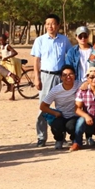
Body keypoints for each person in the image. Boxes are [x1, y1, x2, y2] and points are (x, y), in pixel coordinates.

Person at [32, 14, 72, 147]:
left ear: (58, 25)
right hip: (46, 76)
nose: (50, 26)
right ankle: (41, 137)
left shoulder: (64, 40)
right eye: (48, 24)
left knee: (62, 107)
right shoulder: (40, 40)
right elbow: (36, 60)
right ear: (45, 25)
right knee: (43, 107)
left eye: (53, 23)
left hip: (61, 76)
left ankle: (61, 136)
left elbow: (70, 56)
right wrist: (37, 77)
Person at [39, 65, 81, 150]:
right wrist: (55, 113)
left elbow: (89, 83)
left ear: (75, 75)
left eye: (71, 74)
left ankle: (74, 139)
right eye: (65, 75)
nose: (68, 77)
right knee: (56, 126)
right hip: (61, 115)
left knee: (71, 126)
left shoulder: (79, 84)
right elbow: (43, 106)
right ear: (61, 77)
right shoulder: (56, 90)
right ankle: (59, 139)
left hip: (74, 115)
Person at [0, 33, 20, 100]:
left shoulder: (8, 46)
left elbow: (15, 53)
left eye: (2, 40)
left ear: (5, 40)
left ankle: (13, 96)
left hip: (10, 62)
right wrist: (2, 57)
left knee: (12, 78)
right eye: (0, 40)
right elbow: (5, 54)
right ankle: (8, 85)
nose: (1, 42)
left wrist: (7, 57)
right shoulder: (2, 46)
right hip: (5, 62)